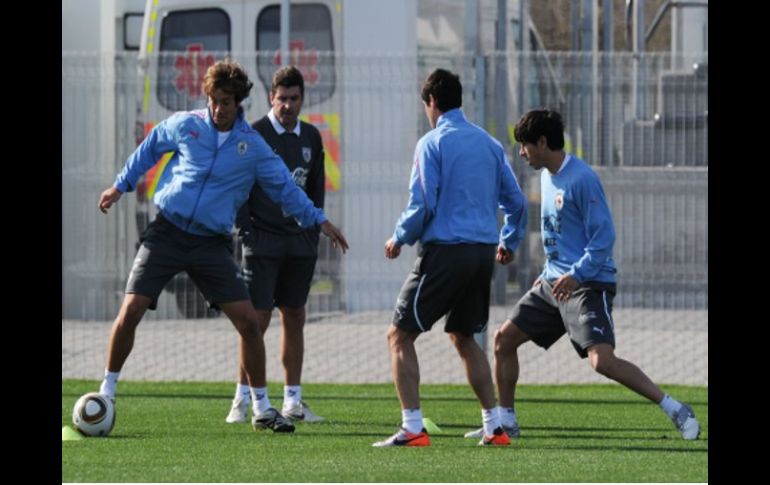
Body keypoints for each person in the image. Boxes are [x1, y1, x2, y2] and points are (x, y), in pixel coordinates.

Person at [96, 59, 349, 434]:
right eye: (214, 100)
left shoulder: (253, 147)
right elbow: (149, 148)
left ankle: (262, 408)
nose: (218, 108)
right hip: (167, 232)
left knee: (249, 322)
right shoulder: (186, 124)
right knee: (131, 309)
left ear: (239, 102)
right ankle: (106, 393)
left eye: (226, 102)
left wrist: (319, 220)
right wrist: (121, 185)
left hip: (210, 244)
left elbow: (285, 189)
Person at [464, 108, 700, 440]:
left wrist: (575, 275)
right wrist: (548, 271)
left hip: (587, 283)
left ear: (543, 142)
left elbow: (603, 238)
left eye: (524, 145)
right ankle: (506, 422)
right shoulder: (545, 176)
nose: (521, 153)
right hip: (552, 283)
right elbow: (559, 234)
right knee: (504, 340)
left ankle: (674, 407)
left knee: (601, 362)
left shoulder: (582, 179)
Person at [372, 69, 528, 448]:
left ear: (431, 103)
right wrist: (509, 239)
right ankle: (493, 426)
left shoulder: (431, 142)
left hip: (447, 252)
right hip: (481, 253)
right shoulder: (490, 145)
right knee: (463, 336)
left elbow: (423, 201)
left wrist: (399, 237)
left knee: (399, 335)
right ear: (460, 100)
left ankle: (412, 427)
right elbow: (517, 201)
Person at [225, 66, 326, 424]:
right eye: (281, 98)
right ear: (271, 97)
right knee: (255, 321)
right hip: (262, 242)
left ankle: (293, 401)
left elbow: (315, 190)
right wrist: (248, 234)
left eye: (294, 98)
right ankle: (242, 398)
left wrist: (312, 233)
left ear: (302, 99)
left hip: (299, 244)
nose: (287, 105)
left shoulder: (312, 137)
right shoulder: (254, 134)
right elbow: (239, 189)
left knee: (295, 317)